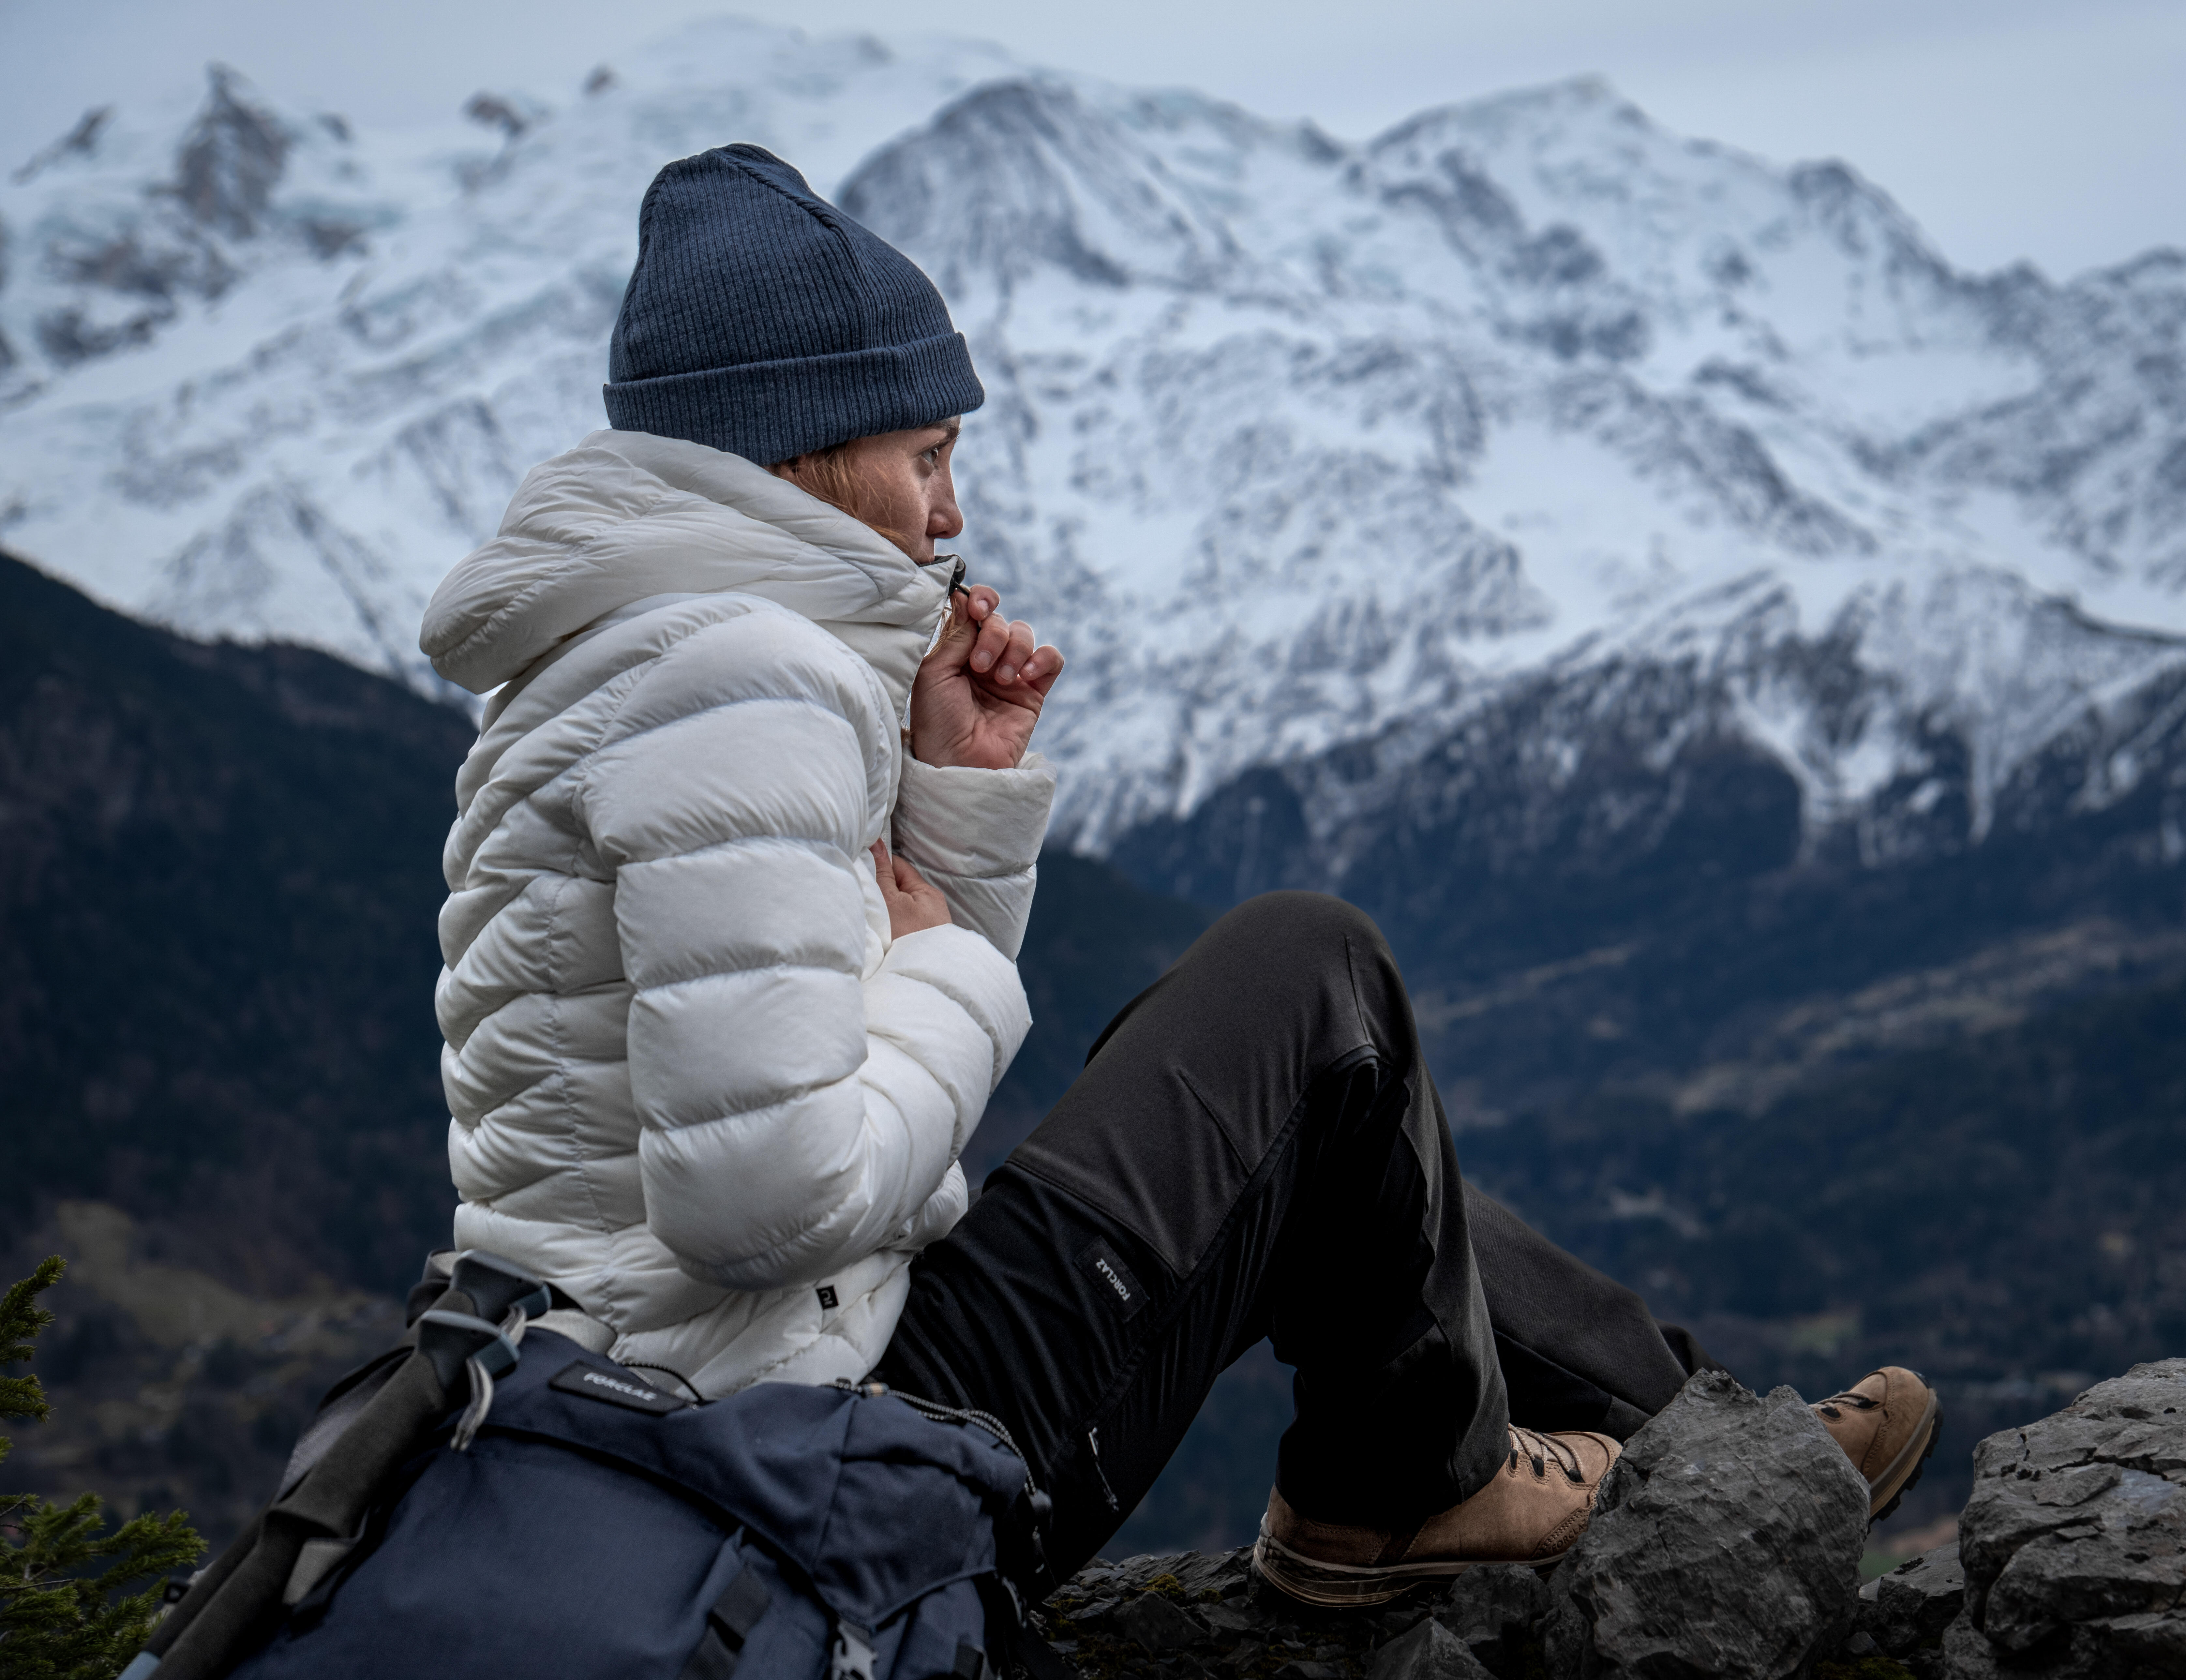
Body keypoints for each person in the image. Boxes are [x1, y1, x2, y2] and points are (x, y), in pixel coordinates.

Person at [421, 142, 1938, 1607]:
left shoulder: (633, 663)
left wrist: (954, 796)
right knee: (1310, 971)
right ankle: (1487, 1481)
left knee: (1299, 1087)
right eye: (928, 455)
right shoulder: (738, 679)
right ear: (806, 450)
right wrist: (950, 966)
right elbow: (766, 1197)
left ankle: (1684, 1446)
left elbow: (830, 1036)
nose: (951, 513)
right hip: (819, 1460)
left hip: (714, 1409)